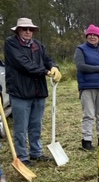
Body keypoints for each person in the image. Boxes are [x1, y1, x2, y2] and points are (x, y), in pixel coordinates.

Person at [4, 18, 62, 167]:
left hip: (38, 91)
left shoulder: (38, 45)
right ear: (18, 30)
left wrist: (54, 66)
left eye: (30, 29)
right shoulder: (11, 44)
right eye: (24, 29)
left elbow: (47, 59)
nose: (28, 32)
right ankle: (22, 157)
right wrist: (45, 72)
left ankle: (36, 152)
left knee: (36, 124)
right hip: (20, 91)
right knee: (21, 127)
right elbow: (24, 64)